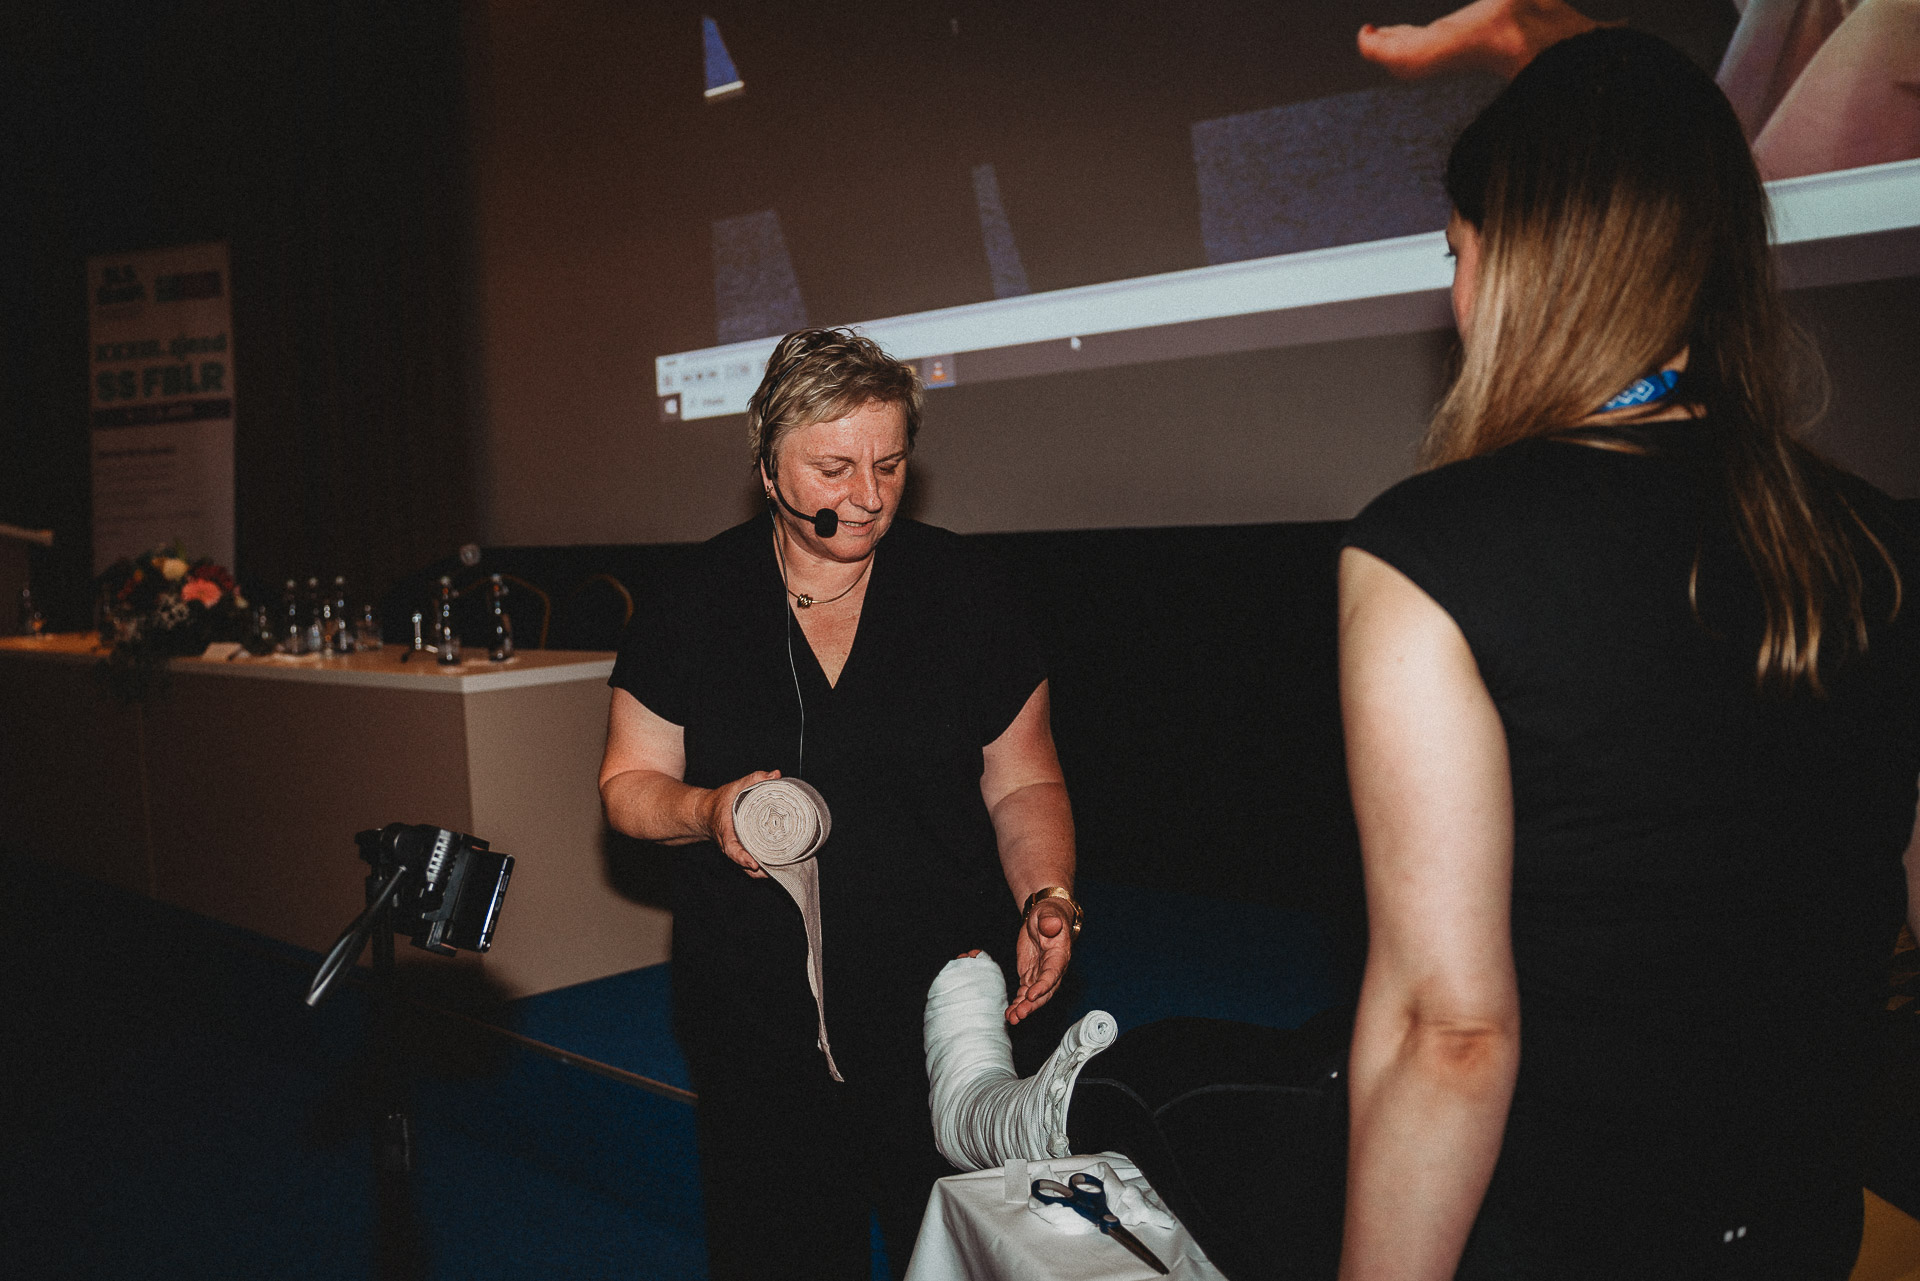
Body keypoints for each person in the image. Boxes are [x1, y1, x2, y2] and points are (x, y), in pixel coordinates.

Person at [1337, 27, 1920, 1280]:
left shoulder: (1428, 552)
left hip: (1562, 1237)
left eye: (1456, 254)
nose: (1456, 295)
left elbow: (1451, 1035)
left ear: (1524, 260)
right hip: (1800, 1229)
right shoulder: (1887, 540)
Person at [597, 327, 1080, 1280]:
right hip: (754, 1010)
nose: (866, 496)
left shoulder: (966, 590)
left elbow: (1024, 778)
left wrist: (1047, 891)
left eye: (889, 465)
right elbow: (627, 785)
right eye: (833, 468)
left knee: (952, 1249)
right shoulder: (693, 598)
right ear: (767, 468)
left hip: (942, 1001)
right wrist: (707, 811)